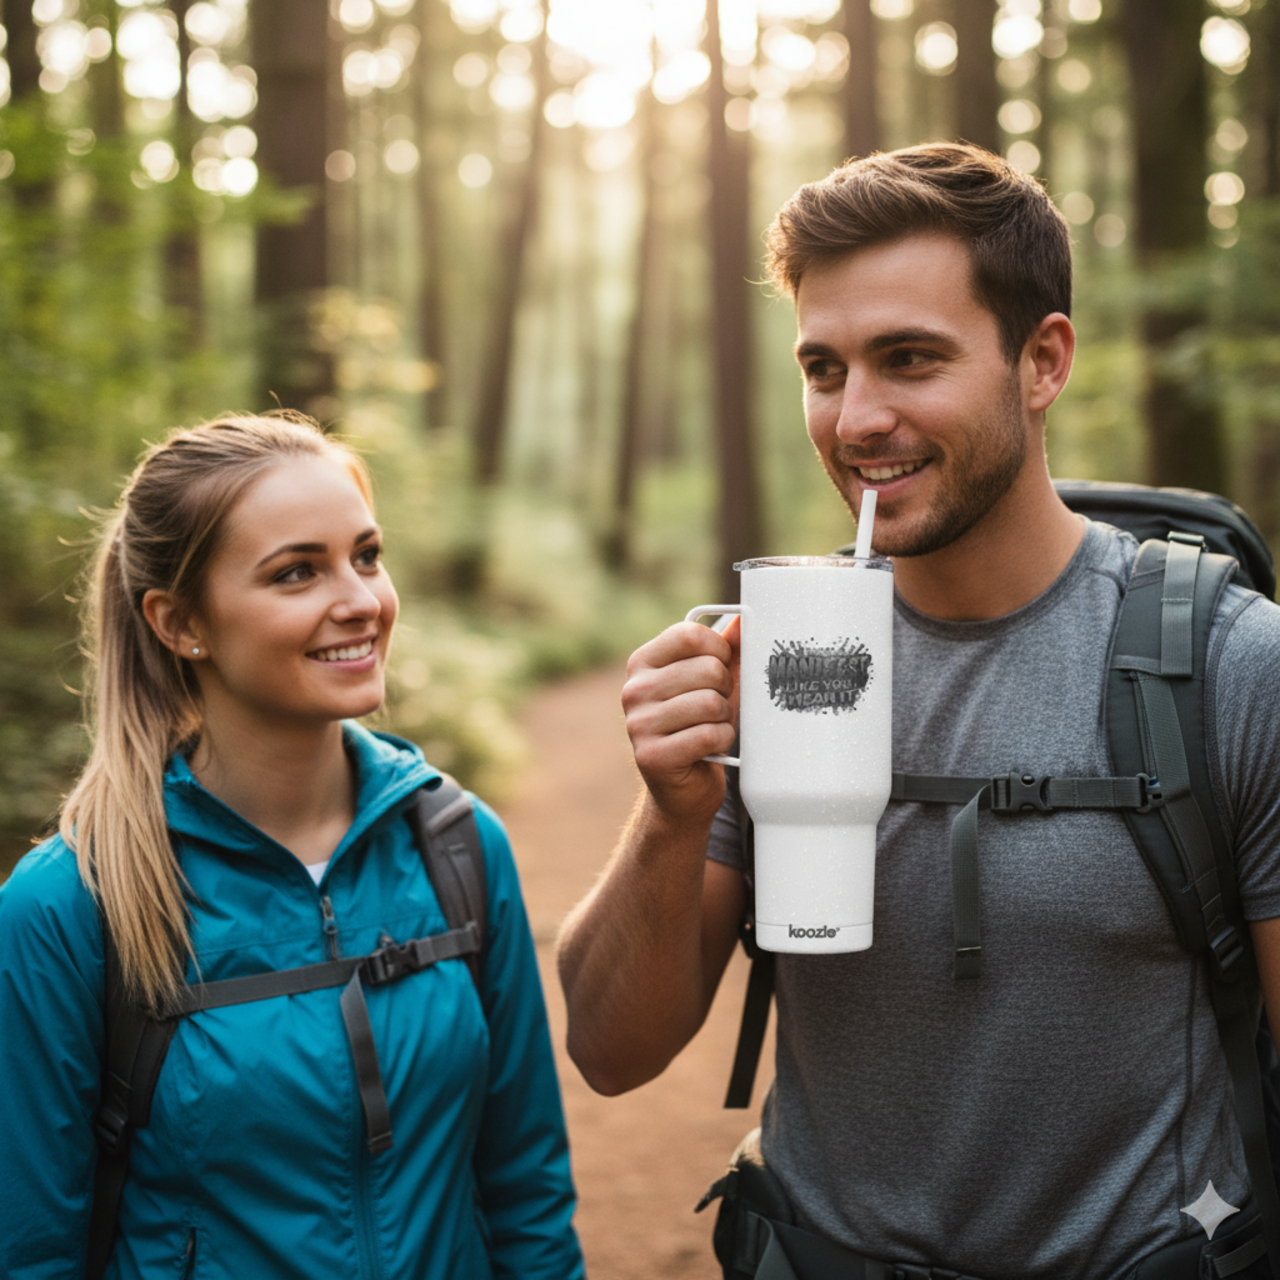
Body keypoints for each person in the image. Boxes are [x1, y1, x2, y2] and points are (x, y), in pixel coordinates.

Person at [556, 144, 1280, 1280]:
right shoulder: (785, 645)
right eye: (823, 367)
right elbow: (609, 1050)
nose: (854, 418)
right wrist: (668, 810)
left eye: (907, 359)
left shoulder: (1229, 667)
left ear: (1040, 362)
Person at [0, 413, 584, 1280]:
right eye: (297, 572)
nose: (359, 599)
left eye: (367, 556)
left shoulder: (458, 848)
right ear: (179, 623)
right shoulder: (69, 906)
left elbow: (524, 1188)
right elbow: (33, 1250)